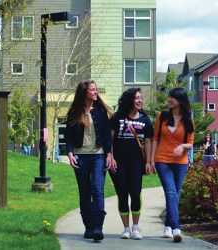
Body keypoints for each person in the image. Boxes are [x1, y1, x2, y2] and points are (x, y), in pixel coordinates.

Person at [65, 79, 113, 242]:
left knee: (97, 189)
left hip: (98, 155)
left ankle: (98, 227)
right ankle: (88, 227)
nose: (95, 92)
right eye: (92, 89)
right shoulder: (74, 112)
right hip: (81, 156)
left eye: (96, 89)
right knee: (84, 192)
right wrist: (70, 153)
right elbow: (68, 136)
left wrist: (109, 154)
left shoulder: (100, 110)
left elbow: (107, 134)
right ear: (84, 92)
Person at [151, 88, 195, 243]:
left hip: (180, 163)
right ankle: (177, 228)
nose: (169, 100)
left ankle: (168, 226)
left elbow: (190, 144)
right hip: (162, 160)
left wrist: (182, 146)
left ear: (181, 101)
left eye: (173, 98)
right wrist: (151, 160)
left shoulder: (188, 120)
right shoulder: (161, 116)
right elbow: (155, 138)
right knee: (171, 193)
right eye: (169, 97)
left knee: (175, 195)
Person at [109, 88, 154, 240]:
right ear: (129, 100)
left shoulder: (145, 120)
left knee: (135, 194)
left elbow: (148, 141)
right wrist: (111, 157)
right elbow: (110, 139)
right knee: (122, 195)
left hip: (136, 162)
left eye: (141, 98)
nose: (140, 100)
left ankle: (136, 227)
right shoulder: (117, 117)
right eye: (137, 98)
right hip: (118, 162)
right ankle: (126, 228)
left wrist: (148, 161)